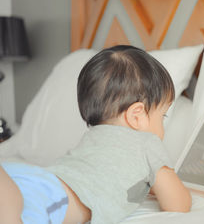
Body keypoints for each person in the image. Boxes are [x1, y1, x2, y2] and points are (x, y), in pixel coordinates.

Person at [0, 45, 192, 224]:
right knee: (14, 211)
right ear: (137, 116)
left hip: (31, 177)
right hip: (49, 194)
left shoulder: (93, 136)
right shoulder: (147, 142)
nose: (163, 124)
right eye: (162, 115)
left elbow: (109, 178)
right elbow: (178, 204)